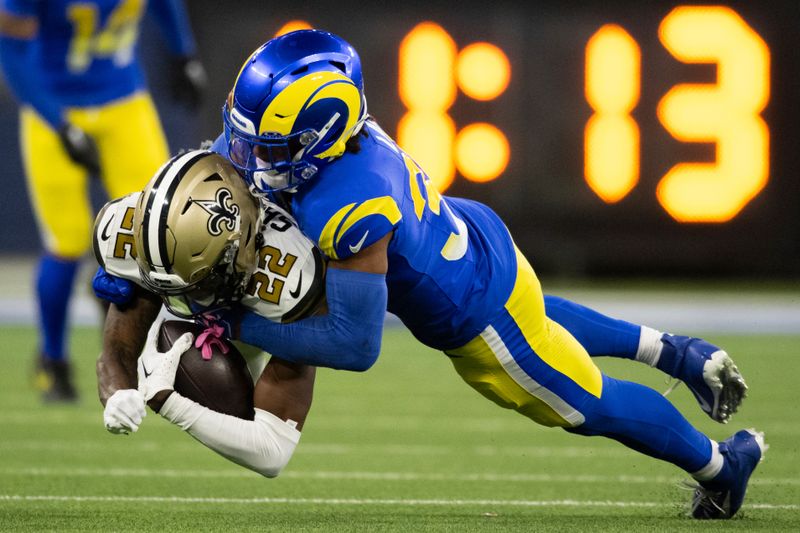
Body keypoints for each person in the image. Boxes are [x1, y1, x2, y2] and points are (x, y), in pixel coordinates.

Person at [210, 30, 763, 519]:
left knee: (592, 403)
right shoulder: (343, 136)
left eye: (264, 145)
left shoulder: (350, 206)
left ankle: (721, 467)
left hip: (474, 316)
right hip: (476, 237)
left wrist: (232, 321)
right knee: (539, 320)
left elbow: (355, 344)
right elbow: (228, 163)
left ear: (318, 140)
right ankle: (676, 353)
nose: (245, 154)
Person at [0, 0, 207, 402]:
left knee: (156, 233)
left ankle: (141, 352)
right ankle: (53, 360)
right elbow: (9, 50)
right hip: (54, 106)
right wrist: (58, 123)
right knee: (67, 241)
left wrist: (184, 52)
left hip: (124, 101)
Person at [94, 150, 318, 477]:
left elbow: (271, 453)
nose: (185, 298)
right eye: (164, 286)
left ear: (238, 248)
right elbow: (118, 350)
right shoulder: (134, 238)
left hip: (265, 310)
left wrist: (168, 402)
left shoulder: (286, 278)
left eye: (197, 281)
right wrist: (118, 394)